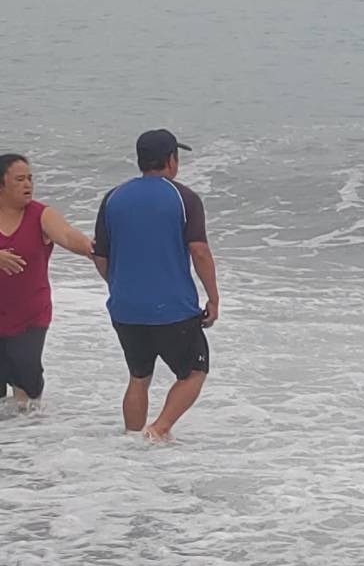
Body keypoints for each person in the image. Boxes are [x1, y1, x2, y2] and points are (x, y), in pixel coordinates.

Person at [93, 131, 220, 441]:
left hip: (126, 309)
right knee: (194, 371)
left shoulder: (113, 198)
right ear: (170, 160)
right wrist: (213, 298)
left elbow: (99, 255)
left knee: (139, 376)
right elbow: (199, 251)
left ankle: (132, 440)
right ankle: (158, 429)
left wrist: (119, 286)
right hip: (172, 309)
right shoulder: (184, 197)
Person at [0, 153, 98, 410]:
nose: (28, 185)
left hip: (30, 314)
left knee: (26, 383)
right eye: (20, 179)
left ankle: (28, 439)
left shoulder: (41, 215)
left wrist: (91, 249)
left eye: (30, 179)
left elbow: (66, 235)